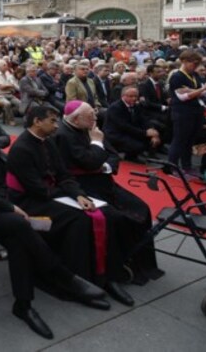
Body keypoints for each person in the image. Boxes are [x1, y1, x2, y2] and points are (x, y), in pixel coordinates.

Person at [0, 108, 107, 339]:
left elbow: (0, 183)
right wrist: (7, 206)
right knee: (21, 223)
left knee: (19, 241)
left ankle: (23, 305)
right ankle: (61, 274)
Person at [7, 106, 134, 307]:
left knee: (106, 213)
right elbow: (38, 190)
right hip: (30, 202)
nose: (56, 125)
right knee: (79, 221)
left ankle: (108, 277)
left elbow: (64, 175)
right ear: (37, 122)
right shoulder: (22, 148)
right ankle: (79, 284)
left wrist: (79, 195)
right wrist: (71, 196)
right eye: (52, 121)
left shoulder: (48, 142)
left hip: (52, 194)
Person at [56, 101, 163, 284]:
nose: (95, 117)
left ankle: (141, 263)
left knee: (142, 208)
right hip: (83, 186)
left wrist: (105, 166)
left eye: (94, 113)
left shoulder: (92, 128)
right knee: (119, 218)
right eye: (91, 114)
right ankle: (120, 265)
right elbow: (88, 162)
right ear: (76, 118)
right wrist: (97, 143)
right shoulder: (63, 135)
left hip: (104, 181)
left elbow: (112, 154)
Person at [167, 50, 206, 176]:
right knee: (179, 140)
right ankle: (172, 166)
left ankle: (187, 166)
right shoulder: (177, 76)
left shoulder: (194, 75)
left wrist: (195, 90)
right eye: (194, 63)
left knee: (190, 141)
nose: (196, 66)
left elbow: (199, 93)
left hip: (195, 111)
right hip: (182, 113)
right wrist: (200, 89)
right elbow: (183, 96)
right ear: (185, 61)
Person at [103, 86, 162, 163]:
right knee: (139, 145)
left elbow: (144, 120)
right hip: (115, 134)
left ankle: (147, 156)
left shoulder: (135, 106)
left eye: (136, 96)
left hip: (127, 132)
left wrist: (152, 131)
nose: (134, 98)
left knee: (152, 136)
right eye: (131, 96)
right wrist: (145, 133)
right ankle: (129, 157)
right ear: (123, 96)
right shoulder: (115, 107)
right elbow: (124, 126)